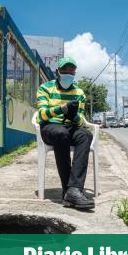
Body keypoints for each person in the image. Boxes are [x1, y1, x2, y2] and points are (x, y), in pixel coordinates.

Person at [36, 57, 95, 209]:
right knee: (61, 133)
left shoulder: (79, 92)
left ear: (74, 73)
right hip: (50, 127)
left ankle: (74, 190)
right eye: (64, 70)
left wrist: (73, 116)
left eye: (71, 71)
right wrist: (61, 109)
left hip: (70, 126)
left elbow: (81, 120)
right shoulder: (45, 88)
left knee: (86, 135)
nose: (68, 73)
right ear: (58, 72)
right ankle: (68, 189)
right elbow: (41, 115)